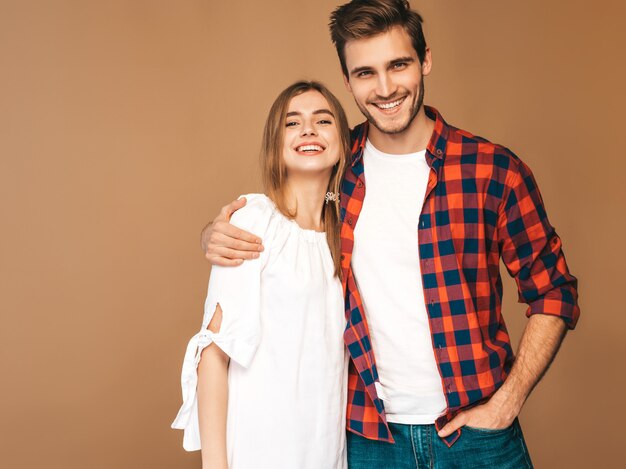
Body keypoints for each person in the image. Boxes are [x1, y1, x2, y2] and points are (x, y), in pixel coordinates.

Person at [201, 1, 580, 467]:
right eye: (365, 73)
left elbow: (554, 290)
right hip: (369, 439)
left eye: (398, 65)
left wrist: (511, 397)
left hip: (478, 436)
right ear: (347, 81)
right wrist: (215, 234)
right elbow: (282, 223)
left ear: (425, 61)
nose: (384, 89)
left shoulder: (492, 170)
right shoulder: (336, 167)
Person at [172, 81, 352, 469]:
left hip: (324, 450)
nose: (308, 130)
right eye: (293, 123)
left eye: (323, 120)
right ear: (276, 143)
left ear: (342, 142)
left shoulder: (346, 236)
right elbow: (213, 355)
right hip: (261, 451)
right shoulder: (255, 222)